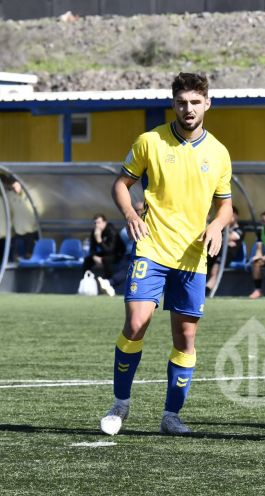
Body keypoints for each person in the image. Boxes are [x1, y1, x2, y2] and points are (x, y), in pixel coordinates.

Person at [99, 72, 233, 436]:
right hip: (152, 247)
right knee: (136, 322)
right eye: (181, 102)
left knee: (185, 338)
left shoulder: (219, 153)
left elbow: (226, 207)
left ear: (207, 103)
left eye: (194, 102)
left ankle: (171, 415)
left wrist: (217, 226)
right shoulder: (149, 142)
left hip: (192, 256)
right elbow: (121, 184)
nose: (188, 109)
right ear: (172, 104)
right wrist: (129, 214)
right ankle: (120, 404)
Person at [82, 213, 125, 296]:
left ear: (104, 222)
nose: (96, 225)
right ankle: (87, 285)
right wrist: (94, 257)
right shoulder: (95, 232)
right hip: (104, 254)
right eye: (95, 223)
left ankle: (108, 284)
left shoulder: (111, 231)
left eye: (98, 222)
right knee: (87, 260)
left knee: (107, 260)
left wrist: (99, 240)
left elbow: (110, 250)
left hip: (117, 254)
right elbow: (92, 248)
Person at [206, 205, 243, 296]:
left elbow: (229, 237)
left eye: (231, 216)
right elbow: (214, 236)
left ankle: (208, 288)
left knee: (216, 267)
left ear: (236, 216)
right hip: (216, 252)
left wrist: (222, 239)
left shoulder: (239, 230)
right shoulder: (222, 228)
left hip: (228, 254)